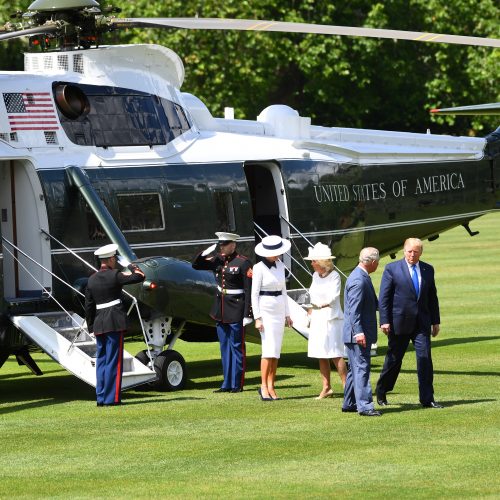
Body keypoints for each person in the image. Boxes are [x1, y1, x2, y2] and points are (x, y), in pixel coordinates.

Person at [376, 237, 442, 408]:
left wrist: (435, 321)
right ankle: (382, 391)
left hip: (421, 323)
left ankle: (427, 399)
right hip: (399, 323)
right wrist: (384, 321)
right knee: (394, 360)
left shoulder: (428, 269)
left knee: (425, 358)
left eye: (416, 252)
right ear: (404, 251)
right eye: (409, 251)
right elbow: (384, 298)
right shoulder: (392, 269)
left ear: (421, 252)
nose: (412, 255)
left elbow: (432, 297)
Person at [85, 243, 145, 406]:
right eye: (114, 259)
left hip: (99, 323)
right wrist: (131, 265)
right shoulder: (115, 275)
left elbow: (89, 306)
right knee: (113, 361)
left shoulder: (91, 280)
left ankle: (101, 397)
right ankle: (113, 399)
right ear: (111, 259)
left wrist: (90, 327)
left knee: (102, 361)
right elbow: (140, 276)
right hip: (114, 322)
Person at [192, 232, 253, 393]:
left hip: (237, 309)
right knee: (225, 347)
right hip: (221, 309)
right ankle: (226, 383)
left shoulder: (243, 262)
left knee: (237, 347)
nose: (222, 247)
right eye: (220, 245)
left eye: (224, 244)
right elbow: (196, 265)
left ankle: (237, 383)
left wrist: (248, 314)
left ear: (233, 244)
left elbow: (249, 290)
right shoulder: (217, 260)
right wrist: (204, 253)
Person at [251, 235, 293, 401]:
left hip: (279, 308)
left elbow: (284, 291)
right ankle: (263, 386)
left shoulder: (280, 266)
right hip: (266, 309)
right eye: (275, 253)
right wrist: (258, 317)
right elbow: (254, 294)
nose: (278, 255)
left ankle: (271, 385)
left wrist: (288, 314)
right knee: (268, 351)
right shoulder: (259, 267)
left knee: (276, 352)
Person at [342, 247, 381, 416]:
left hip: (354, 333)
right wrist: (359, 332)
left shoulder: (360, 276)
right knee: (361, 368)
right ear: (372, 262)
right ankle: (365, 406)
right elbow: (354, 311)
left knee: (354, 369)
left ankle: (349, 402)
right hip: (357, 334)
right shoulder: (359, 280)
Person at [304, 242, 347, 399]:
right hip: (317, 317)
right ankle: (326, 387)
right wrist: (310, 308)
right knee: (320, 353)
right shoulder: (315, 276)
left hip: (332, 318)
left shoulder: (335, 276)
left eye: (314, 261)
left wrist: (322, 304)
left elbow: (333, 295)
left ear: (321, 262)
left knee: (336, 353)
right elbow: (312, 294)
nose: (311, 263)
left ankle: (346, 386)